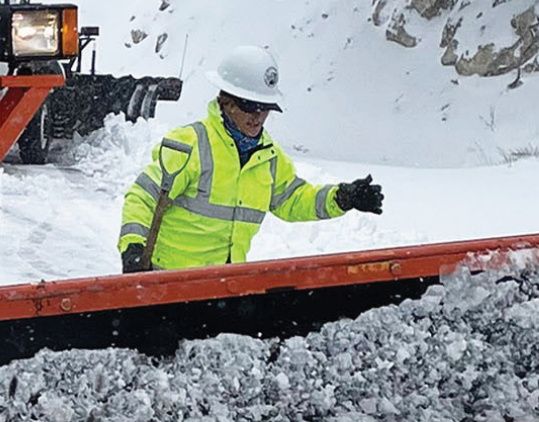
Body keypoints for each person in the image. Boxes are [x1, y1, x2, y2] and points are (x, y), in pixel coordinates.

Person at [117, 47, 382, 271]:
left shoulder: (269, 157)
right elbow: (143, 197)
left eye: (265, 108)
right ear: (225, 101)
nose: (257, 116)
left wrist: (342, 198)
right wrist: (133, 246)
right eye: (249, 107)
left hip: (226, 287)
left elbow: (293, 199)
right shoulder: (191, 144)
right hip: (169, 286)